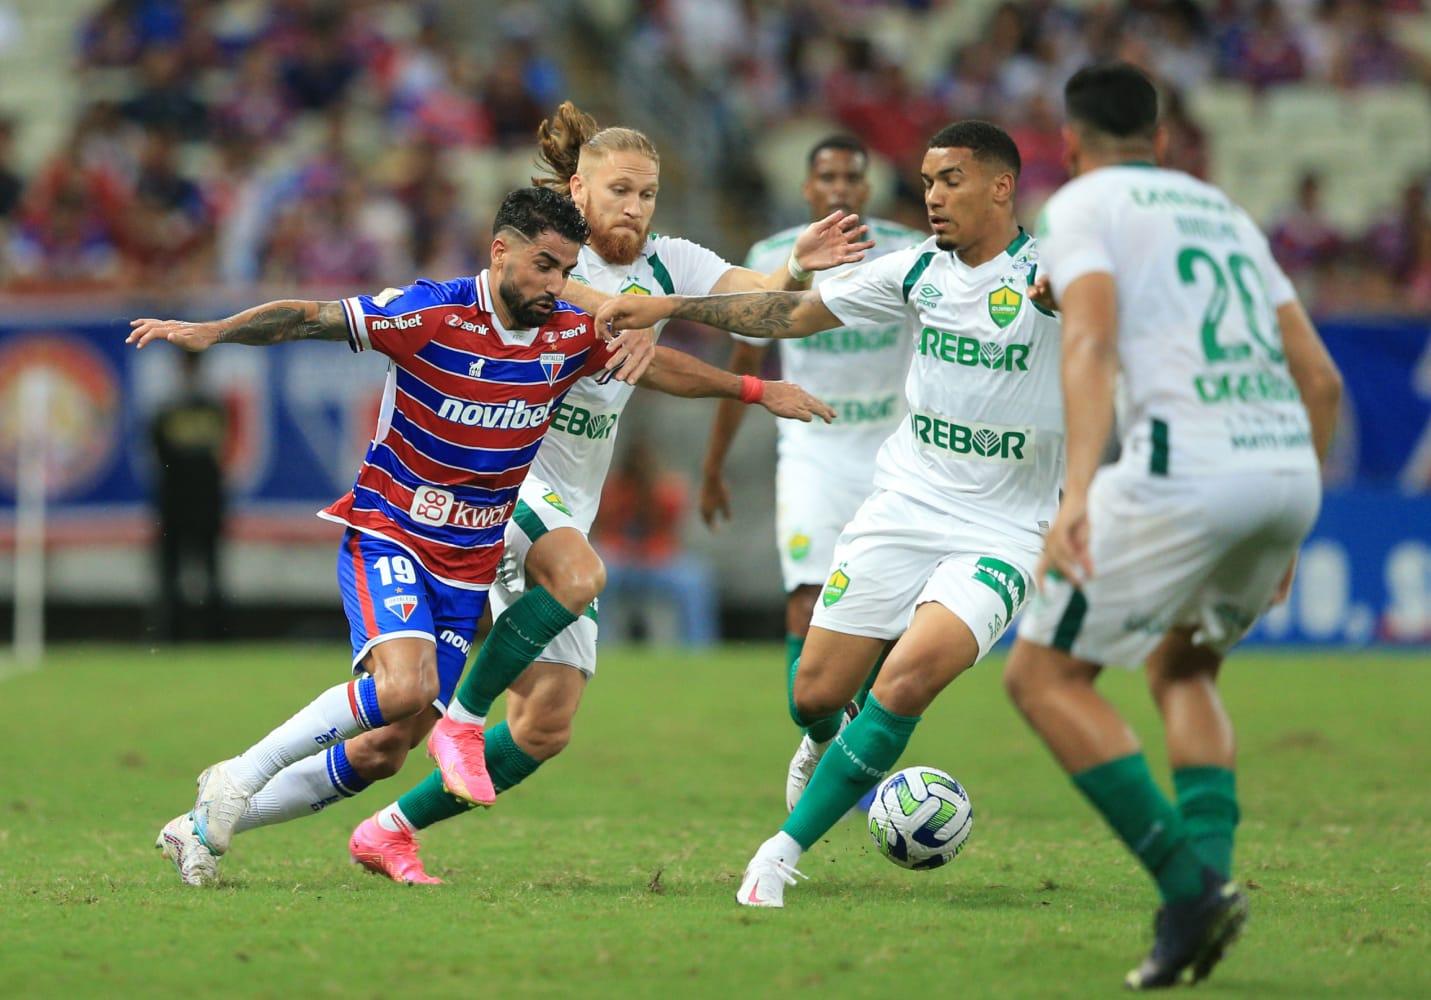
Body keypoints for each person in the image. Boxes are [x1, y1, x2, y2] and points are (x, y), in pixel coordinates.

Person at [348, 102, 862, 883]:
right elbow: (633, 343)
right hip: (503, 482)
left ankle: (384, 826)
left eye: (648, 193)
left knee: (542, 723)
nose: (635, 207)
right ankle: (446, 723)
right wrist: (750, 387)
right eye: (620, 190)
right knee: (489, 657)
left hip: (569, 503)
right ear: (578, 189)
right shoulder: (551, 265)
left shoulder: (667, 260)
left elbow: (762, 304)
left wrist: (792, 261)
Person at [596, 120, 1063, 910]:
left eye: (949, 179)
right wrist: (664, 307)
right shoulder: (916, 269)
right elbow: (779, 316)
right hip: (904, 507)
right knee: (813, 695)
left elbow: (1130, 324)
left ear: (1000, 186)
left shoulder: (1057, 273)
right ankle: (822, 741)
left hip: (1005, 533)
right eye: (925, 182)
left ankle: (779, 854)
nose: (933, 196)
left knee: (909, 675)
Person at [133, 185, 658, 885]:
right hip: (391, 532)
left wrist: (749, 389)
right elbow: (309, 316)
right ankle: (237, 772)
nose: (557, 286)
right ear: (499, 250)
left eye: (566, 271)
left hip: (466, 565)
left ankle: (199, 825)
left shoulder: (564, 331)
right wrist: (215, 330)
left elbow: (659, 368)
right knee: (405, 687)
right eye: (544, 266)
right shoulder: (427, 311)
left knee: (385, 747)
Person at [1003, 63, 1342, 989]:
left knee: (1043, 678)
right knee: (1182, 663)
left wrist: (1073, 494)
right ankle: (1211, 886)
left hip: (1179, 468)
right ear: (1160, 138)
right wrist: (1288, 519)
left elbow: (1089, 337)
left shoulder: (1082, 206)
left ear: (1069, 143)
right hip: (1282, 468)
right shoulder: (1220, 210)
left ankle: (1187, 891)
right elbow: (1321, 380)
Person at [699, 134, 924, 811]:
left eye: (850, 177)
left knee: (888, 616)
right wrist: (712, 466)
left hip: (891, 449)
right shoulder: (774, 259)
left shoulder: (911, 252)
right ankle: (822, 741)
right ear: (806, 188)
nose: (837, 188)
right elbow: (745, 366)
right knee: (806, 596)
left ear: (865, 188)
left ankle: (850, 751)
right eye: (824, 176)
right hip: (812, 448)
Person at [149, 350, 227, 641]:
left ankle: (212, 635)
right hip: (179, 500)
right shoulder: (172, 409)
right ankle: (172, 634)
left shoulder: (204, 407)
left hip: (199, 500)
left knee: (208, 569)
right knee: (174, 572)